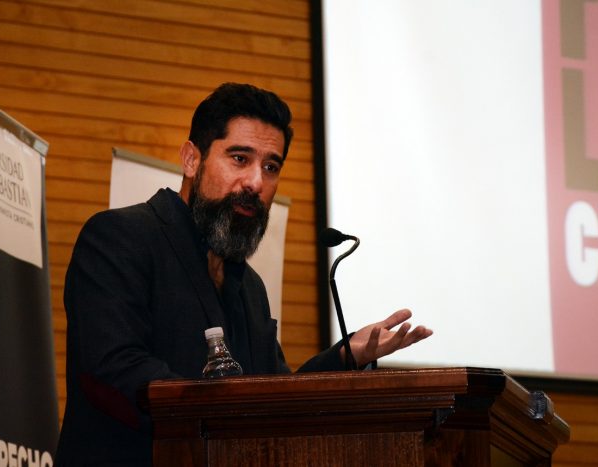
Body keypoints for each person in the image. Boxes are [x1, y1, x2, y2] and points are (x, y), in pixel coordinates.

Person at [54, 83, 432, 466]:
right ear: (191, 160)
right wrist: (227, 416)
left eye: (271, 167)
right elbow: (114, 369)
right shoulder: (120, 237)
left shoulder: (250, 286)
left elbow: (273, 397)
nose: (256, 183)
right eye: (239, 158)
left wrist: (344, 356)